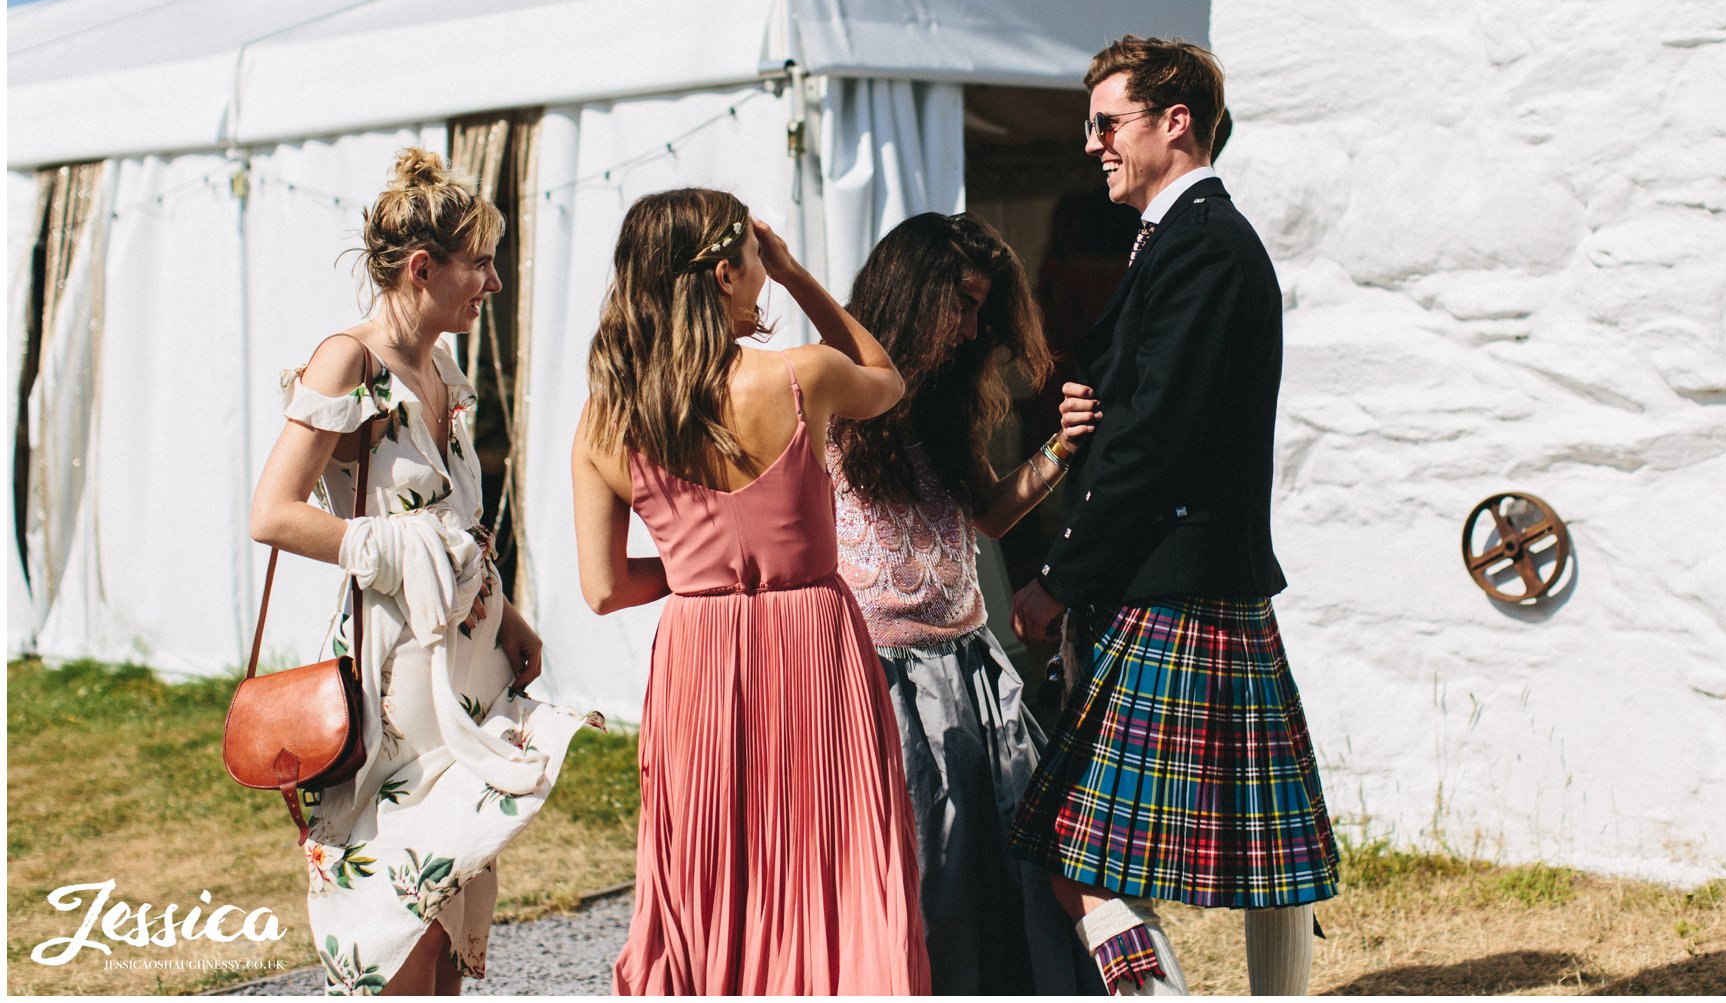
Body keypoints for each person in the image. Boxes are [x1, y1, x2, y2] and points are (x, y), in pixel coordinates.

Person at [1007, 36, 1341, 996]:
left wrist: (1060, 577)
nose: (1091, 144)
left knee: (1075, 841)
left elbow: (1161, 438)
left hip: (1174, 579)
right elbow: (1156, 404)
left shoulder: (1201, 243)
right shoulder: (1186, 241)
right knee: (1267, 848)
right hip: (1194, 576)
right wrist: (1088, 408)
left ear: (1174, 122)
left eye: (1106, 123)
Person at [250, 147, 599, 996]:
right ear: (421, 267)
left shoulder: (443, 364)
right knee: (396, 910)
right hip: (396, 669)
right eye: (479, 262)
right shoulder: (350, 361)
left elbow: (457, 519)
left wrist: (504, 608)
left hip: (468, 661)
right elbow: (273, 510)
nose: (494, 282)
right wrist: (391, 544)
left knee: (445, 903)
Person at [570, 188, 931, 995]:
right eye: (758, 256)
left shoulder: (605, 420)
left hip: (701, 654)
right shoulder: (805, 375)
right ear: (728, 270)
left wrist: (702, 572)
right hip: (816, 645)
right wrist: (802, 277)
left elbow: (602, 588)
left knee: (714, 864)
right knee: (835, 856)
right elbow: (889, 379)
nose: (765, 267)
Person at [827, 212, 1101, 995]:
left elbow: (986, 511)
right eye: (964, 304)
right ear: (913, 298)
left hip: (972, 665)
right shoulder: (834, 399)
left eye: (984, 308)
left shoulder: (944, 404)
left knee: (1005, 869)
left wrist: (1056, 450)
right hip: (881, 675)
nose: (975, 327)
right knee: (926, 876)